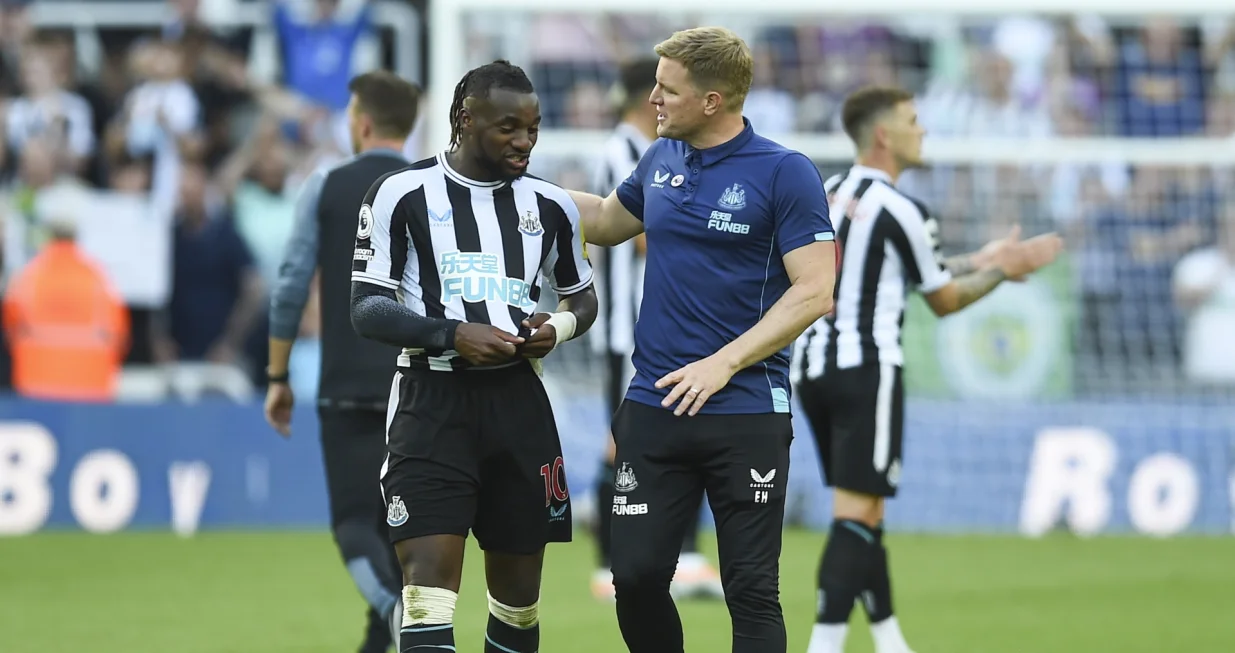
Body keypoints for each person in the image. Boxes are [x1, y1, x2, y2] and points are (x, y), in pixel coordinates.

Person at [565, 27, 836, 653]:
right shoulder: (661, 158)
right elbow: (606, 221)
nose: (651, 99)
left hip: (744, 410)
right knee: (632, 577)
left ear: (712, 101)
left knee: (750, 590)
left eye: (667, 89)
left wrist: (724, 362)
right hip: (655, 405)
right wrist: (519, 187)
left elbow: (815, 290)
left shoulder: (784, 173)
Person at [789, 85, 1064, 653]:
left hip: (812, 368)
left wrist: (983, 259)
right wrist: (1002, 272)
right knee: (855, 513)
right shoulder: (903, 208)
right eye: (914, 121)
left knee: (868, 510)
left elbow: (912, 267)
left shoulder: (828, 193)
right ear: (885, 134)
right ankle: (825, 644)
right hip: (869, 369)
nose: (924, 131)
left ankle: (890, 639)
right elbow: (942, 299)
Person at [349, 60, 598, 653]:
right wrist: (449, 333)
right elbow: (367, 307)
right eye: (508, 127)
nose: (524, 141)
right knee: (427, 591)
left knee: (517, 605)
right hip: (431, 403)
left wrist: (557, 328)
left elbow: (582, 297)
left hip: (519, 407)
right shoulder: (399, 194)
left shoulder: (552, 205)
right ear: (465, 118)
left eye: (533, 128)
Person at [264, 70, 421, 653]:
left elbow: (288, 287)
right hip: (423, 387)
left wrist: (277, 376)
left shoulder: (326, 186)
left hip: (348, 389)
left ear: (361, 123)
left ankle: (397, 609)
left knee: (357, 523)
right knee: (405, 532)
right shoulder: (436, 190)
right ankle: (396, 618)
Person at [588, 57, 724, 603]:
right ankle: (608, 564)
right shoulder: (627, 152)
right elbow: (645, 234)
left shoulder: (656, 152)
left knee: (666, 436)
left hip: (655, 327)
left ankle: (682, 556)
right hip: (631, 326)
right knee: (625, 440)